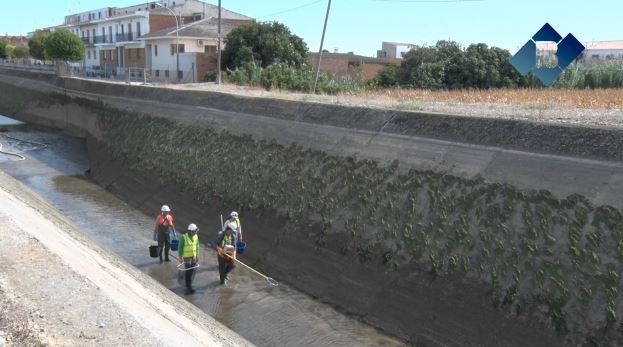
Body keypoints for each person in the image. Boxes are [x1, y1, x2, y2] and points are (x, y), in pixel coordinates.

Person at [178, 223, 200, 295]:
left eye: (196, 231)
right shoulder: (184, 237)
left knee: (192, 270)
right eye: (194, 231)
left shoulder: (196, 236)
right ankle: (188, 287)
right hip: (186, 257)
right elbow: (180, 248)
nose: (196, 232)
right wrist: (180, 257)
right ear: (190, 231)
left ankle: (189, 285)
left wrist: (197, 255)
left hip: (193, 256)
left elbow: (197, 246)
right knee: (188, 271)